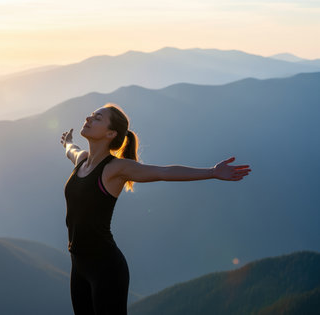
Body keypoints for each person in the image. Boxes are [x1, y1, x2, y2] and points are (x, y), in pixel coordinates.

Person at [60, 103, 251, 315]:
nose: (89, 118)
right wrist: (68, 143)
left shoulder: (116, 169)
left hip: (106, 268)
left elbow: (164, 172)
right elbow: (72, 150)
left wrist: (212, 172)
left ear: (110, 133)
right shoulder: (82, 161)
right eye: (92, 114)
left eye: (97, 118)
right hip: (78, 265)